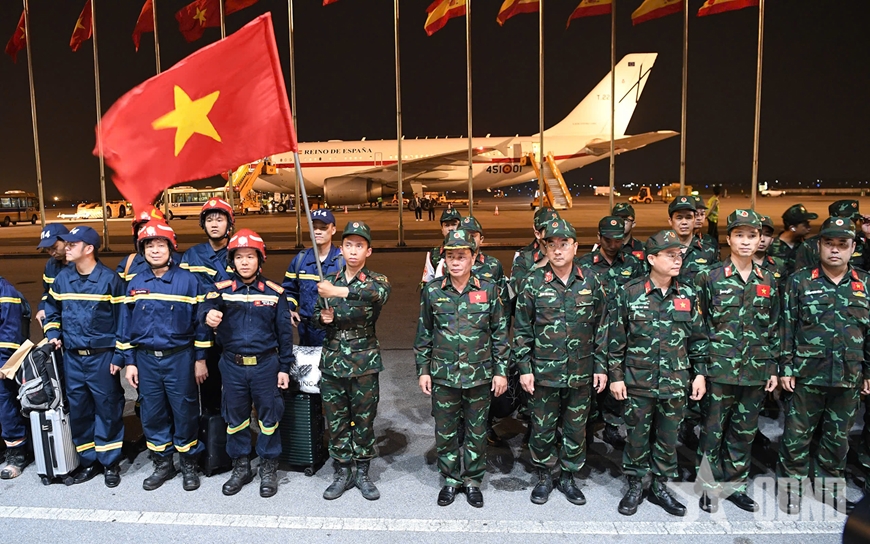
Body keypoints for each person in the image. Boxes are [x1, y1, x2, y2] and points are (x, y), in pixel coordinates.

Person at [607, 230, 708, 517]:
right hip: (638, 380)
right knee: (637, 435)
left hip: (675, 380)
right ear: (652, 259)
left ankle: (659, 486)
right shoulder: (630, 292)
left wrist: (700, 374)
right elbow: (615, 339)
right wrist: (616, 376)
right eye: (670, 255)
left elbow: (698, 338)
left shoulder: (687, 294)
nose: (677, 260)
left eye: (679, 255)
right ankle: (635, 484)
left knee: (667, 438)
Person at [777, 216, 870, 515]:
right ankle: (790, 489)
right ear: (819, 246)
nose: (835, 249)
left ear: (853, 248)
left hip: (849, 374)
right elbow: (787, 327)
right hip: (806, 374)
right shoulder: (799, 281)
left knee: (837, 438)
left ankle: (829, 490)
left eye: (842, 244)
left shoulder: (865, 283)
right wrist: (785, 367)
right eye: (829, 243)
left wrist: (868, 372)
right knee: (796, 437)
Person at [514, 218, 608, 506]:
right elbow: (522, 329)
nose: (557, 250)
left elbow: (602, 326)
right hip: (544, 371)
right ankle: (544, 476)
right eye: (551, 244)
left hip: (581, 370)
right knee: (542, 427)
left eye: (564, 244)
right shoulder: (533, 283)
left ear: (575, 247)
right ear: (544, 248)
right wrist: (525, 369)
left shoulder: (591, 281)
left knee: (576, 428)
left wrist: (601, 366)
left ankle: (568, 477)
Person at [415, 229, 509, 508]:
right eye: (451, 256)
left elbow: (499, 333)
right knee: (445, 432)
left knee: (476, 431)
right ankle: (450, 479)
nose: (455, 262)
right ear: (444, 259)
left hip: (479, 375)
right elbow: (424, 333)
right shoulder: (433, 291)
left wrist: (501, 371)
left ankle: (472, 481)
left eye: (462, 256)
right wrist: (423, 370)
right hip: (443, 375)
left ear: (473, 257)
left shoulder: (488, 290)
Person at [694, 210, 780, 514]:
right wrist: (700, 371)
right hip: (719, 369)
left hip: (755, 370)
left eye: (752, 236)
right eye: (739, 235)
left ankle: (735, 486)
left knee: (744, 432)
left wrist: (772, 367)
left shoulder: (768, 279)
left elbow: (774, 327)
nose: (746, 241)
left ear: (759, 240)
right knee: (712, 432)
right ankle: (708, 487)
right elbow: (699, 327)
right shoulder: (710, 277)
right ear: (728, 239)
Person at [118, 220, 211, 492]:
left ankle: (188, 463)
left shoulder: (188, 281)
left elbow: (201, 325)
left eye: (161, 245)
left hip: (180, 358)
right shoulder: (135, 282)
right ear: (142, 250)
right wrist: (130, 363)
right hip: (146, 360)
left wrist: (200, 359)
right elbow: (125, 325)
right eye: (149, 245)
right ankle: (163, 463)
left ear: (171, 248)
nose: (155, 250)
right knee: (152, 412)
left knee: (185, 410)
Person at [202, 229, 293, 498]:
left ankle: (268, 467)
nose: (244, 262)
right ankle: (240, 466)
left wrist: (284, 368)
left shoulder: (275, 293)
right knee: (235, 419)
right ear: (232, 260)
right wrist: (208, 315)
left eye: (250, 256)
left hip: (266, 365)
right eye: (239, 257)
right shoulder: (221, 290)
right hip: (232, 366)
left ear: (260, 259)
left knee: (269, 418)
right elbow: (203, 310)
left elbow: (285, 335)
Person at [43, 226, 126, 487]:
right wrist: (53, 332)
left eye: (72, 245)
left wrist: (119, 356)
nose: (66, 248)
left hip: (102, 358)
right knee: (79, 410)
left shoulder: (110, 280)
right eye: (66, 244)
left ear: (89, 249)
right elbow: (51, 309)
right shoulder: (63, 279)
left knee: (108, 408)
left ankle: (110, 462)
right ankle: (89, 461)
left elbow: (123, 321)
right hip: (72, 357)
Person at [315, 221, 391, 501]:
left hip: (363, 360)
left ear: (368, 251)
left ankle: (362, 472)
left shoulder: (377, 280)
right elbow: (314, 314)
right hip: (333, 360)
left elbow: (377, 295)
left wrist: (338, 292)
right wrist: (322, 318)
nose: (354, 251)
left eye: (360, 246)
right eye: (349, 245)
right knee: (336, 420)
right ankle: (342, 471)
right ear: (341, 249)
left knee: (363, 419)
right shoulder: (329, 280)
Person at [576, 216, 644, 447]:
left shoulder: (633, 264)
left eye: (618, 240)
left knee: (618, 376)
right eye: (608, 240)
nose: (613, 245)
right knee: (591, 380)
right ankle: (587, 425)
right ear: (599, 237)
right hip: (593, 331)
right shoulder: (585, 264)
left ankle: (612, 425)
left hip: (621, 331)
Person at [180, 198, 236, 411]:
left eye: (219, 219)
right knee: (208, 393)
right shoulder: (192, 256)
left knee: (237, 393)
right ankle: (212, 429)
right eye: (209, 220)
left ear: (229, 223)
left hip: (232, 334)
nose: (214, 224)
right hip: (200, 333)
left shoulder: (240, 252)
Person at [283, 209, 344, 347]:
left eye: (323, 228)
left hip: (335, 332)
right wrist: (289, 308)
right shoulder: (300, 260)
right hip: (307, 332)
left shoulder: (342, 262)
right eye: (314, 227)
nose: (317, 232)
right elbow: (289, 290)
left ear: (333, 230)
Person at [0, 276, 32, 479]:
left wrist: (3, 362)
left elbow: (10, 333)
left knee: (5, 403)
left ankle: (17, 452)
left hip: (2, 360)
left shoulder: (5, 291)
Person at [794, 200, 869, 272]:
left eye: (855, 220)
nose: (851, 224)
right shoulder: (810, 245)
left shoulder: (860, 243)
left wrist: (868, 235)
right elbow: (801, 275)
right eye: (847, 220)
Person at [117, 206, 179, 285]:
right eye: (141, 228)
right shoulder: (128, 263)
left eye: (149, 226)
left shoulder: (179, 262)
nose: (145, 231)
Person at [668, 196, 719, 285]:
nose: (684, 222)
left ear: (694, 220)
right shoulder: (659, 250)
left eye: (688, 217)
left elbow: (716, 284)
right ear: (670, 221)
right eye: (679, 218)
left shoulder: (709, 250)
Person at [512, 207, 560, 284]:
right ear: (538, 234)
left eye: (557, 229)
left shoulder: (566, 253)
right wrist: (548, 257)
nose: (553, 233)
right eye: (548, 230)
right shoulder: (523, 257)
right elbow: (517, 286)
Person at [768, 203, 818, 277]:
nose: (809, 228)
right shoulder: (771, 247)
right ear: (792, 228)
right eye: (805, 225)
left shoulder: (807, 246)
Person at [35, 223, 69, 327]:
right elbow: (47, 292)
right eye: (48, 249)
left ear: (66, 241)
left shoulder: (80, 264)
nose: (52, 253)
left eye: (54, 247)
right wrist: (43, 308)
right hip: (56, 320)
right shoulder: (50, 264)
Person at [420, 208, 462, 285]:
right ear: (442, 229)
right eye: (446, 225)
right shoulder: (434, 254)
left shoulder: (468, 252)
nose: (450, 228)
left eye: (454, 224)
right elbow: (426, 283)